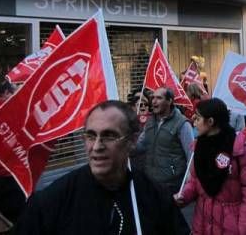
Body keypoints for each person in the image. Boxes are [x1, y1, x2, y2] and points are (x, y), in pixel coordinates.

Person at [16, 100, 190, 234]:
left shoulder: (154, 196)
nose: (97, 146)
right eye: (91, 136)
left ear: (132, 141)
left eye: (109, 136)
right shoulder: (51, 201)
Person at [174, 98, 246, 235]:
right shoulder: (198, 147)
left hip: (231, 226)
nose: (193, 121)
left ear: (211, 122)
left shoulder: (241, 150)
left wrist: (243, 228)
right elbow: (195, 181)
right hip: (202, 224)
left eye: (198, 117)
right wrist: (184, 195)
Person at [136, 87, 195, 194]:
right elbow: (140, 145)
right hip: (150, 182)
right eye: (153, 97)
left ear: (169, 101)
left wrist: (188, 186)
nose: (154, 101)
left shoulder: (182, 124)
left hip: (172, 185)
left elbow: (191, 155)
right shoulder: (150, 121)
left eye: (159, 98)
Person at [0, 80, 25, 228]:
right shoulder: (6, 112)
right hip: (7, 176)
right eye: (14, 93)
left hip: (0, 176)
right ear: (6, 93)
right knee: (20, 217)